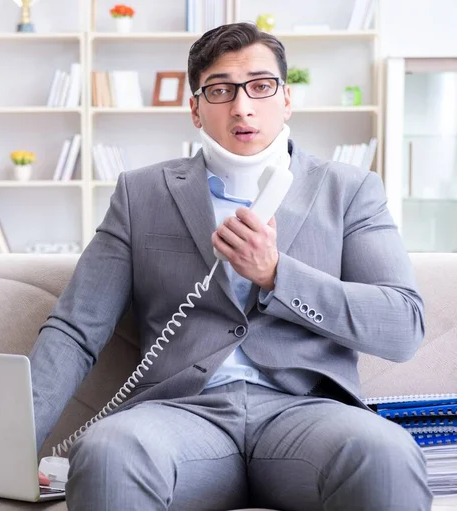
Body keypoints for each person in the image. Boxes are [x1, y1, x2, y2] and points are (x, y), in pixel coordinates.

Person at [29, 22, 432, 511]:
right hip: (179, 417)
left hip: (306, 414)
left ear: (286, 99)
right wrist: (10, 447)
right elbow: (76, 328)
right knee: (109, 451)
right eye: (220, 91)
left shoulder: (349, 190)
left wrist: (278, 275)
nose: (242, 107)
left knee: (386, 453)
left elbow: (402, 326)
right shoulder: (142, 193)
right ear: (196, 109)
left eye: (261, 87)